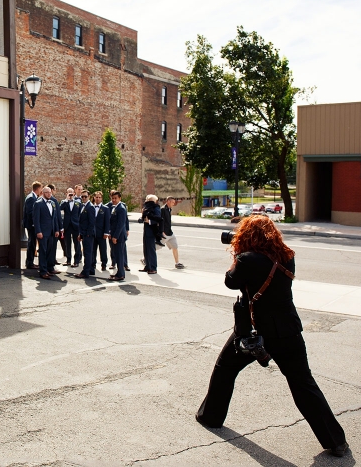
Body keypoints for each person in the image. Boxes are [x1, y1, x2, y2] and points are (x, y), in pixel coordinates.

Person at [195, 215, 349, 458]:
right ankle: (336, 441)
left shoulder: (246, 259)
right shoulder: (287, 256)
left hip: (255, 330)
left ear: (245, 235)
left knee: (225, 368)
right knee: (303, 384)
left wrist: (237, 255)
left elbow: (230, 282)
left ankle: (210, 416)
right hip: (288, 330)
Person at [33, 186, 60, 279]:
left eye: (50, 192)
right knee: (43, 251)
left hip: (51, 231)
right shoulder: (38, 203)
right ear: (43, 193)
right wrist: (38, 231)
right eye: (47, 192)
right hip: (43, 232)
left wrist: (56, 229)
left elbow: (54, 218)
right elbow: (36, 219)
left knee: (49, 251)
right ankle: (43, 271)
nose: (49, 194)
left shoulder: (52, 203)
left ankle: (49, 268)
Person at [74, 191, 96, 278]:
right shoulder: (84, 206)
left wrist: (87, 234)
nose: (83, 198)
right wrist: (81, 234)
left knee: (87, 253)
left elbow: (92, 222)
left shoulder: (90, 207)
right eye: (82, 197)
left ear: (89, 197)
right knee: (89, 253)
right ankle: (90, 270)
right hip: (84, 233)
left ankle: (85, 272)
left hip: (88, 234)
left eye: (85, 196)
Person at [107, 191, 128, 281]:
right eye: (112, 198)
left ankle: (120, 274)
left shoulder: (121, 208)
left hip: (119, 236)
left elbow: (120, 224)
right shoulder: (115, 207)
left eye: (116, 198)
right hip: (115, 235)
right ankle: (119, 272)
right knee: (117, 254)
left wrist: (115, 236)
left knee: (119, 255)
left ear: (120, 198)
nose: (114, 200)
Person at [59, 188, 82, 267]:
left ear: (74, 194)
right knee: (67, 243)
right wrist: (67, 199)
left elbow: (80, 215)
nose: (70, 194)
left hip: (75, 225)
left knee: (77, 244)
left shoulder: (78, 203)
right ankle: (68, 260)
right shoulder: (64, 202)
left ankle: (76, 261)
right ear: (66, 194)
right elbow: (60, 209)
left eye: (72, 192)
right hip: (67, 226)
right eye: (69, 193)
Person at [161, 196, 185, 269]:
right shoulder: (163, 209)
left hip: (170, 232)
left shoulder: (169, 209)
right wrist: (162, 231)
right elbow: (160, 221)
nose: (173, 204)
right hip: (164, 233)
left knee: (175, 246)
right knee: (155, 247)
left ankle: (177, 263)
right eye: (172, 202)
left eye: (174, 202)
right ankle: (145, 258)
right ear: (168, 201)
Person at [139, 195, 161, 274]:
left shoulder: (156, 208)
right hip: (146, 231)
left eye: (147, 199)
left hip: (152, 231)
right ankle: (147, 266)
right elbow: (143, 218)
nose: (146, 201)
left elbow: (158, 219)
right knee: (146, 249)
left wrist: (150, 221)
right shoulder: (146, 208)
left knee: (151, 250)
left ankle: (153, 267)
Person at [23, 181, 42, 269]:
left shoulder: (33, 197)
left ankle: (30, 262)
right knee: (31, 243)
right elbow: (30, 212)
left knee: (33, 243)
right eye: (41, 188)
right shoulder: (31, 198)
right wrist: (35, 223)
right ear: (38, 189)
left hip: (32, 224)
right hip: (31, 225)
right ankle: (29, 263)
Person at [91, 191, 111, 272]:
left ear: (102, 198)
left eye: (99, 197)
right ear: (94, 198)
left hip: (101, 233)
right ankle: (93, 263)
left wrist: (106, 232)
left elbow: (107, 222)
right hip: (92, 233)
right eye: (96, 197)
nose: (98, 199)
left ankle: (104, 264)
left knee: (103, 250)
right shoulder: (91, 207)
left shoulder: (105, 209)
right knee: (93, 250)